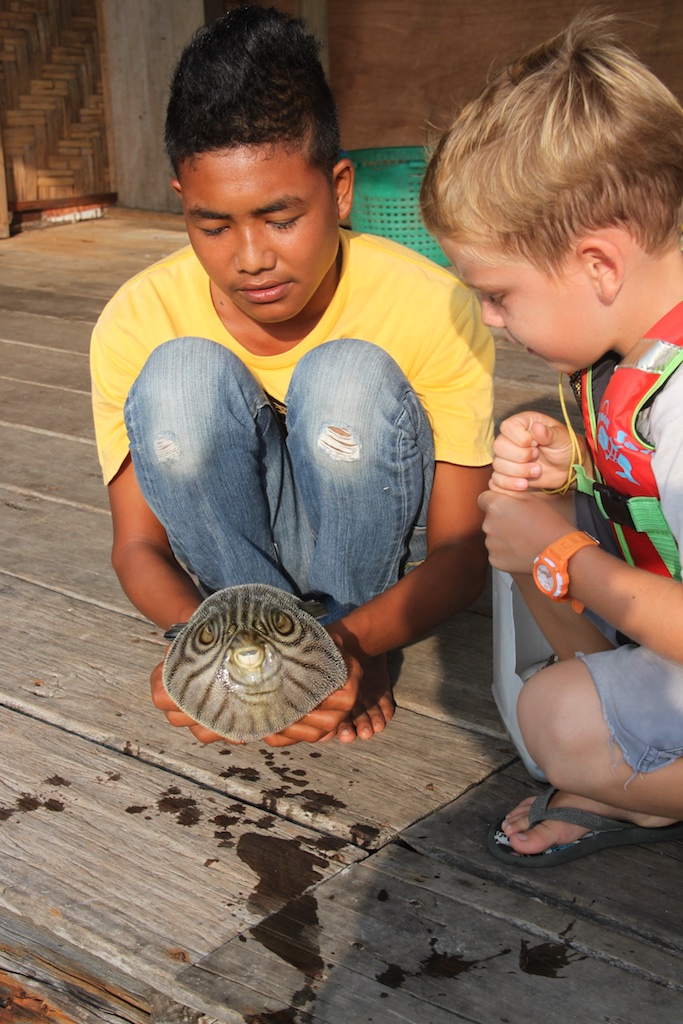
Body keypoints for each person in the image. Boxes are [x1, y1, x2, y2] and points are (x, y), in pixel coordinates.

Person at [90, 5, 494, 748]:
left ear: (339, 190)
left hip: (359, 584)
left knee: (348, 378)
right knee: (177, 376)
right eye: (214, 226)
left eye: (280, 217)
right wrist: (198, 647)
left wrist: (352, 645)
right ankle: (259, 658)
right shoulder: (136, 319)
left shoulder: (430, 305)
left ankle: (338, 635)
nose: (250, 257)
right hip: (234, 603)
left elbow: (462, 553)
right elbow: (136, 548)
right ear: (181, 201)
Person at [420, 10, 683, 864]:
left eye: (498, 294)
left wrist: (563, 553)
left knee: (553, 727)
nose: (490, 322)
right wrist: (575, 468)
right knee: (522, 506)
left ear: (599, 263)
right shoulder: (637, 350)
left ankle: (648, 794)